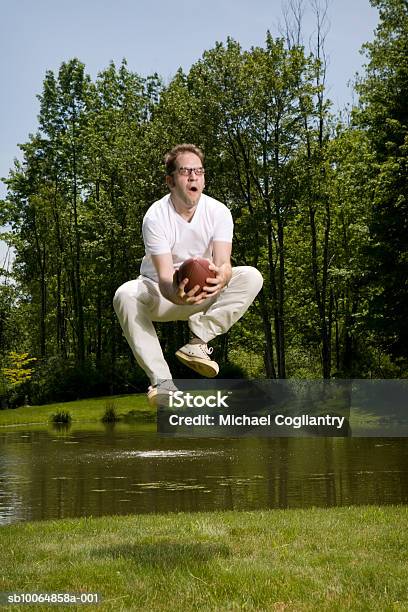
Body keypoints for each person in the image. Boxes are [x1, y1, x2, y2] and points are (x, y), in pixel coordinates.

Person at [113, 144, 263, 404]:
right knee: (124, 295)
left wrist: (222, 277)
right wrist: (177, 295)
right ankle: (162, 383)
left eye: (199, 171)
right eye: (185, 172)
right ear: (170, 181)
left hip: (205, 293)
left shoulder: (219, 212)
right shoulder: (156, 217)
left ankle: (198, 340)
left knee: (251, 276)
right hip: (163, 295)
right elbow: (163, 277)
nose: (194, 177)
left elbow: (224, 264)